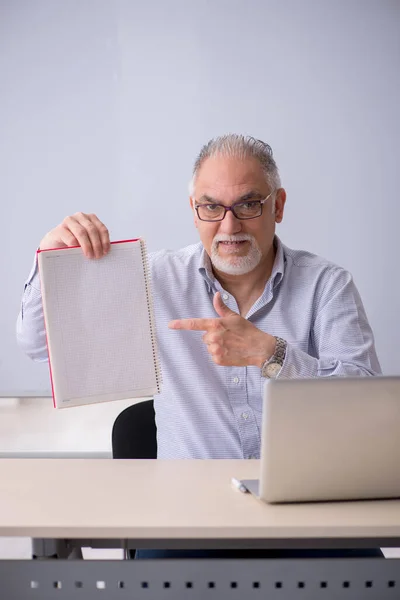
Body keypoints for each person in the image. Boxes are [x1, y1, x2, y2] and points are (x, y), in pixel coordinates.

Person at [16, 134, 382, 559]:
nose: (229, 226)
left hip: (312, 516)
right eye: (211, 207)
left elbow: (366, 407)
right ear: (194, 210)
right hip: (184, 518)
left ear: (277, 206)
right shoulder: (154, 278)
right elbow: (38, 345)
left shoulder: (326, 285)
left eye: (248, 204)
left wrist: (271, 354)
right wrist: (50, 259)